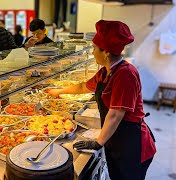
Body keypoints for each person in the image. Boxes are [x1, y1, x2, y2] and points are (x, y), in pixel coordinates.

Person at [48, 20, 156, 180]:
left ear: (105, 52)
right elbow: (83, 87)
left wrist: (98, 142)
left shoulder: (125, 74)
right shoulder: (106, 72)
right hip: (115, 138)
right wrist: (58, 91)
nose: (92, 52)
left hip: (132, 144)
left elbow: (115, 115)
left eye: (94, 48)